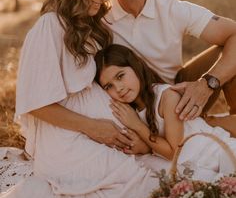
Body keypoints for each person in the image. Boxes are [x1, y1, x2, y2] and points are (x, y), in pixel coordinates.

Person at [0, 0, 165, 198]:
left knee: (153, 180)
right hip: (65, 140)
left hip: (94, 134)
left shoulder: (88, 27)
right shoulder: (49, 27)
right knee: (141, 190)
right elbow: (37, 105)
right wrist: (95, 128)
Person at [103, 0, 236, 133]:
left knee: (228, 51)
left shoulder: (172, 9)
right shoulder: (100, 16)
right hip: (136, 102)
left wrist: (206, 84)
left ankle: (208, 126)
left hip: (179, 92)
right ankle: (205, 127)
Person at [95, 44, 236, 177]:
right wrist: (143, 147)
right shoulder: (131, 111)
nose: (118, 88)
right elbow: (155, 146)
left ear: (135, 65)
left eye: (120, 76)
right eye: (109, 86)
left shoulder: (167, 97)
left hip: (220, 153)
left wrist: (137, 125)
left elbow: (173, 152)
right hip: (199, 168)